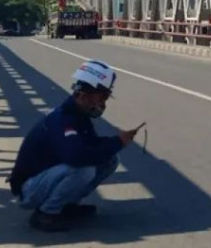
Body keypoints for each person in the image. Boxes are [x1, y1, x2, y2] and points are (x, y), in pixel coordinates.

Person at [8, 60, 143, 232]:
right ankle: (46, 213)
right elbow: (77, 156)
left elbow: (91, 144)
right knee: (82, 169)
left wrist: (117, 141)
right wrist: (117, 142)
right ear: (83, 95)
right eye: (102, 97)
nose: (103, 103)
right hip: (28, 190)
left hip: (42, 179)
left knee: (109, 159)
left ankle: (66, 204)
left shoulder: (79, 115)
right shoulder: (64, 119)